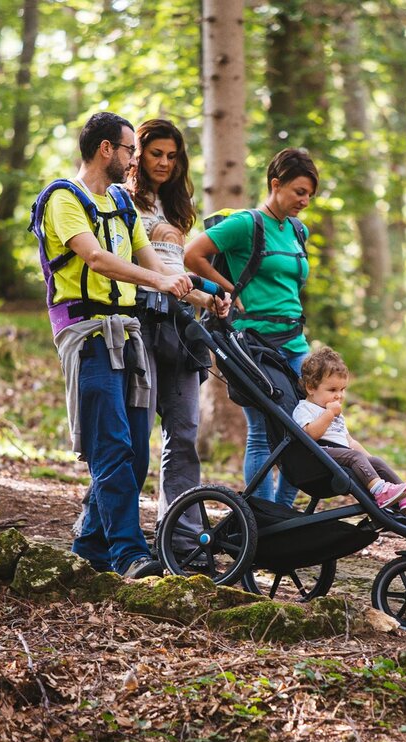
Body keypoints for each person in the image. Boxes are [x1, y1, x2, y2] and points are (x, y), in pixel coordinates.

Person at [35, 111, 193, 579]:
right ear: (106, 148)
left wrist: (206, 295)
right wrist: (158, 283)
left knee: (137, 452)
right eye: (129, 150)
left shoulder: (124, 208)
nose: (134, 160)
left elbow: (157, 266)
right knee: (112, 447)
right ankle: (128, 553)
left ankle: (88, 547)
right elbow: (97, 258)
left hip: (130, 335)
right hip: (87, 334)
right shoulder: (62, 198)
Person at [184, 147, 318, 505]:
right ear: (276, 184)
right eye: (299, 192)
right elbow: (191, 255)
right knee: (262, 431)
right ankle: (262, 517)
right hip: (253, 343)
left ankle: (282, 515)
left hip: (295, 342)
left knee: (306, 429)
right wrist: (227, 289)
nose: (305, 200)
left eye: (309, 194)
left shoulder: (298, 230)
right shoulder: (246, 224)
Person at [125, 119, 228, 545]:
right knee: (134, 435)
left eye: (172, 156)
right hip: (139, 324)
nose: (164, 163)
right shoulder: (121, 201)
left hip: (180, 328)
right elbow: (137, 264)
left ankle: (182, 537)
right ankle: (116, 532)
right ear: (139, 156)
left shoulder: (178, 207)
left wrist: (209, 299)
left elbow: (179, 274)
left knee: (184, 432)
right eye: (156, 154)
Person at [293, 347, 406, 515]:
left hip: (340, 456)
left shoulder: (335, 413)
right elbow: (310, 435)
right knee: (354, 456)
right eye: (332, 390)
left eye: (342, 389)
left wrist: (369, 461)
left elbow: (349, 441)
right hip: (317, 458)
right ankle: (380, 491)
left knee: (375, 461)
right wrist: (328, 414)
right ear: (311, 388)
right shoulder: (304, 408)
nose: (339, 396)